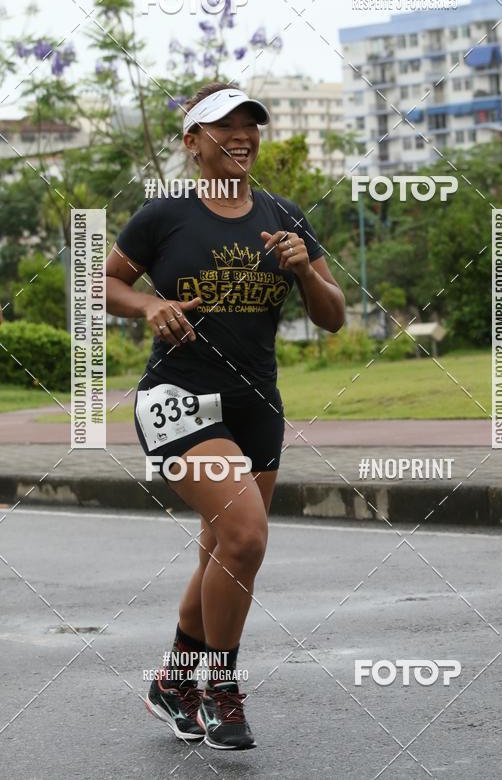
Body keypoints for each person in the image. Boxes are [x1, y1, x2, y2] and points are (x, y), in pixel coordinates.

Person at [105, 81, 345, 750]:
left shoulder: (284, 214)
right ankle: (220, 688)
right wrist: (148, 306)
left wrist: (307, 274)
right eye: (223, 125)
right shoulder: (164, 216)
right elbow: (106, 283)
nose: (241, 135)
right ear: (192, 143)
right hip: (178, 397)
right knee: (244, 536)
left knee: (222, 551)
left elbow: (334, 317)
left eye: (250, 124)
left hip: (256, 405)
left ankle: (173, 681)